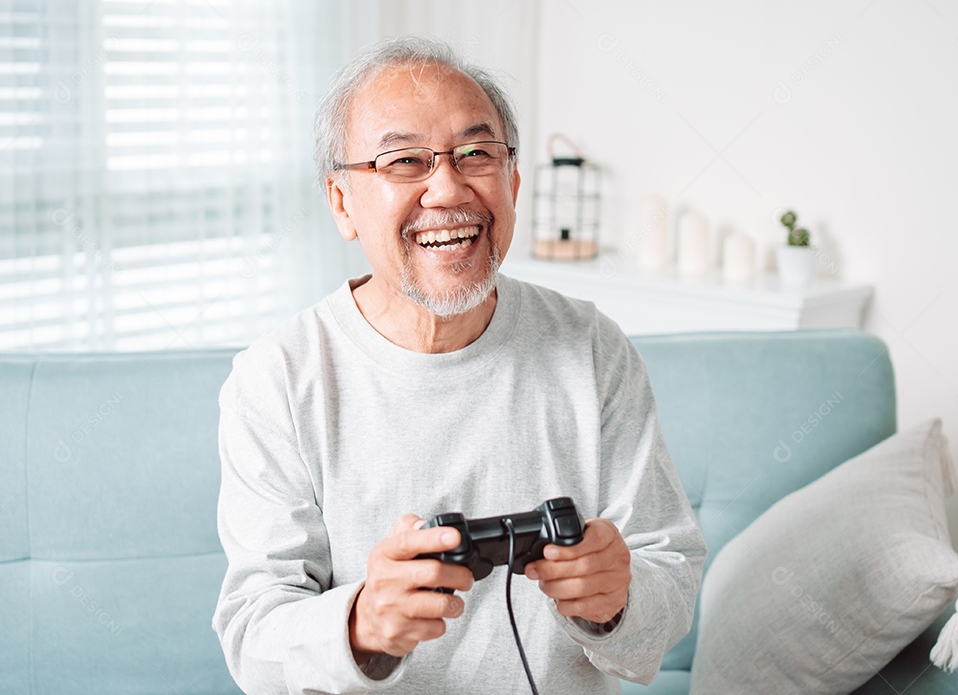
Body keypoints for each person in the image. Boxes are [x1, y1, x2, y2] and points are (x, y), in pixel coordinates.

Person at [212, 36, 706, 695]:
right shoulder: (277, 378)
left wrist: (616, 598)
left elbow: (670, 579)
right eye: (403, 161)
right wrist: (361, 624)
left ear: (513, 183)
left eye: (476, 154)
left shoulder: (592, 346)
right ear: (342, 202)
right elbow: (253, 637)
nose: (447, 188)